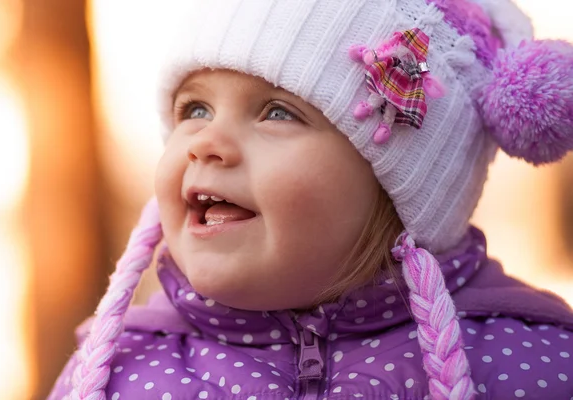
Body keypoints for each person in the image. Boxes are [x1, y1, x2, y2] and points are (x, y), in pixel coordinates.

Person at [48, 0, 573, 399]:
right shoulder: (121, 373)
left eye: (277, 112)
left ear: (397, 192)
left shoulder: (529, 365)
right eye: (194, 109)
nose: (204, 143)